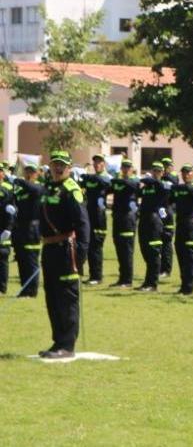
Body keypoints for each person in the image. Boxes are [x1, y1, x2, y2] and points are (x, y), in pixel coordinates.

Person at [36, 151, 89, 359]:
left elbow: (82, 224)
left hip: (67, 250)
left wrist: (82, 254)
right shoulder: (49, 187)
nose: (58, 168)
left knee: (67, 297)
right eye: (54, 164)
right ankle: (57, 340)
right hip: (50, 248)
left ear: (69, 168)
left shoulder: (71, 189)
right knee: (53, 296)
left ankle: (67, 345)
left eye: (62, 165)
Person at [171, 164, 193, 295]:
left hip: (192, 224)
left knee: (190, 256)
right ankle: (183, 284)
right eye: (183, 173)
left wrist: (176, 188)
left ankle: (189, 287)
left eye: (188, 172)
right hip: (180, 224)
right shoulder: (179, 188)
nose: (185, 175)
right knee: (180, 254)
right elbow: (170, 198)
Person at [136, 163, 171, 292]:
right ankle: (147, 281)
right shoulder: (147, 186)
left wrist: (149, 180)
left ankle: (152, 283)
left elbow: (162, 188)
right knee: (145, 250)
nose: (156, 173)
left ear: (162, 173)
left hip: (154, 221)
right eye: (154, 171)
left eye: (159, 171)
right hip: (144, 220)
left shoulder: (162, 185)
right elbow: (137, 192)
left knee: (153, 252)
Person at [12, 164, 45, 298]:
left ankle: (32, 290)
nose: (28, 174)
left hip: (32, 229)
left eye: (31, 172)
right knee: (21, 259)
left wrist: (19, 181)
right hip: (20, 228)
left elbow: (35, 190)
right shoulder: (21, 191)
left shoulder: (38, 187)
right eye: (27, 172)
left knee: (31, 260)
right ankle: (24, 288)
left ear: (37, 174)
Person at [79, 154, 111, 285]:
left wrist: (90, 176)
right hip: (88, 215)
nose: (97, 164)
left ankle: (97, 277)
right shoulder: (90, 179)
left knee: (96, 247)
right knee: (89, 246)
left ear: (104, 164)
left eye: (99, 162)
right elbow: (81, 186)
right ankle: (93, 275)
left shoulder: (106, 177)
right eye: (95, 162)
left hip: (99, 217)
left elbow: (105, 183)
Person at [109, 160, 139, 288]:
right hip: (117, 218)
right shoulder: (118, 182)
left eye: (128, 167)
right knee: (119, 249)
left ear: (132, 169)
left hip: (128, 218)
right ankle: (122, 278)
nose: (125, 169)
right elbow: (108, 188)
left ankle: (127, 280)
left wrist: (117, 180)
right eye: (123, 167)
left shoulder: (134, 181)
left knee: (127, 250)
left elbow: (132, 186)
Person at [159, 157, 177, 278]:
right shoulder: (161, 179)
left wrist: (163, 177)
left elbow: (174, 181)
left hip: (168, 211)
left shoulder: (172, 177)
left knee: (166, 241)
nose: (165, 168)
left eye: (168, 165)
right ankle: (161, 267)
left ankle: (167, 269)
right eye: (164, 166)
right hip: (159, 212)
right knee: (158, 242)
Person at [0, 163, 15, 295]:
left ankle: (2, 288)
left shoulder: (8, 188)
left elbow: (13, 209)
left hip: (3, 228)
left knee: (2, 257)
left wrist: (8, 228)